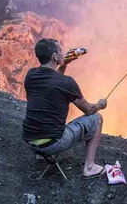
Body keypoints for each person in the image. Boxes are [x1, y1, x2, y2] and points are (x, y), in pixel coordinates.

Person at [22, 38, 107, 178]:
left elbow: (53, 83)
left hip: (30, 139)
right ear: (54, 56)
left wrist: (63, 64)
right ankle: (90, 167)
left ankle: (41, 156)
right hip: (53, 142)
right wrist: (100, 105)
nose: (63, 53)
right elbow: (88, 110)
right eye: (60, 51)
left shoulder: (31, 75)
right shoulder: (67, 82)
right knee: (96, 118)